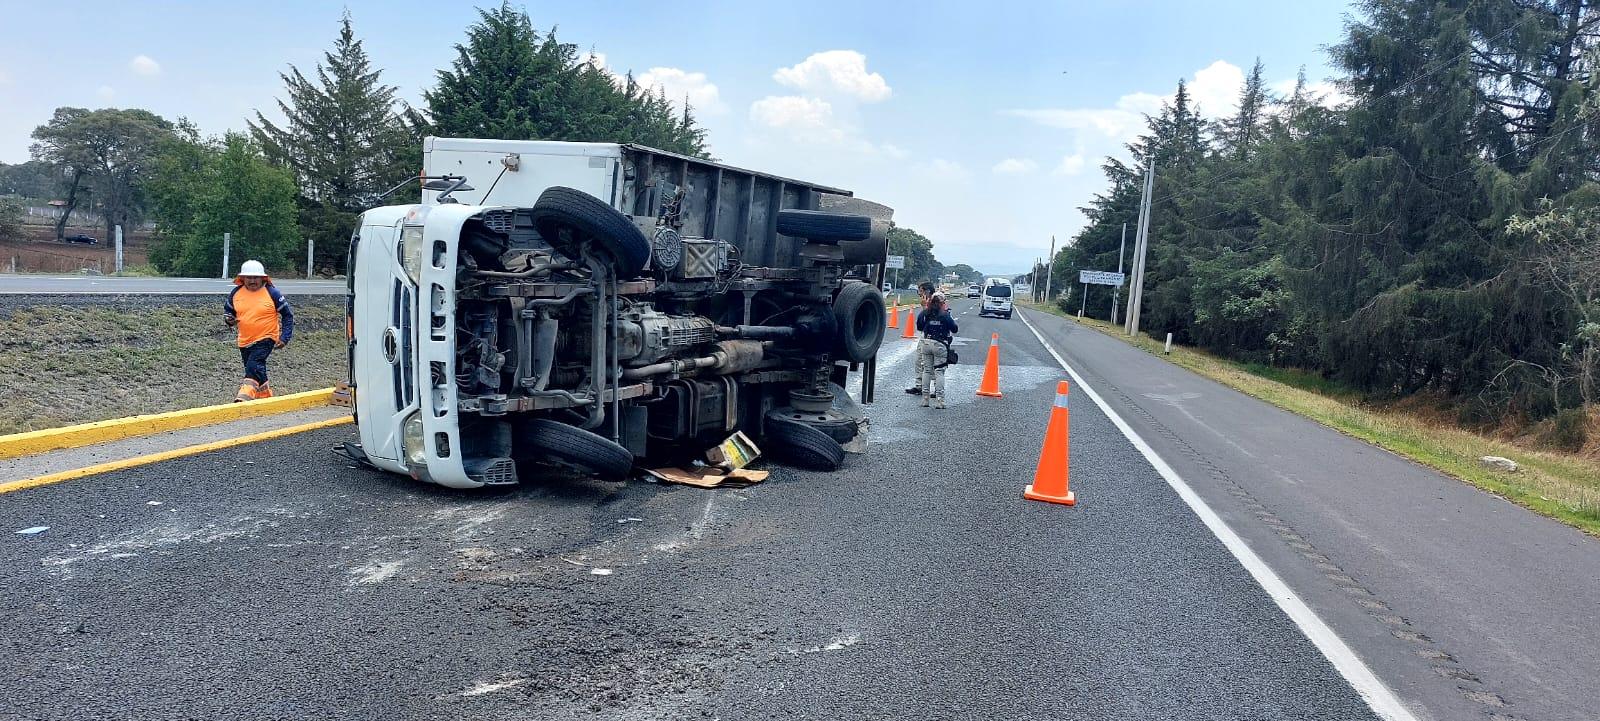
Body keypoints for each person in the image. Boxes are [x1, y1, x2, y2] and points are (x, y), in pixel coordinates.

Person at [225, 260, 295, 402]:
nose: (252, 281)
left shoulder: (272, 292)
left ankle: (244, 397)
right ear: (242, 278)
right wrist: (229, 320)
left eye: (255, 277)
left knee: (253, 366)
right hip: (244, 340)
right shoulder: (236, 293)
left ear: (263, 278)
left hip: (266, 338)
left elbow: (288, 315)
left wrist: (285, 337)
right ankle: (265, 399)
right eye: (248, 278)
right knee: (258, 369)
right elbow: (228, 312)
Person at [916, 292, 958, 408]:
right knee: (939, 372)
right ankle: (940, 400)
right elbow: (954, 328)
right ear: (942, 303)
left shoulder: (925, 313)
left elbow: (919, 326)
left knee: (927, 370)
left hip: (926, 343)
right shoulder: (945, 315)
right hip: (940, 344)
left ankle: (925, 399)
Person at [905, 280, 938, 395]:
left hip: (935, 337)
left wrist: (924, 307)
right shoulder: (926, 301)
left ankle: (936, 389)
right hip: (925, 335)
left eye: (920, 291)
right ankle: (919, 386)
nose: (919, 294)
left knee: (933, 363)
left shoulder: (936, 301)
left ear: (926, 291)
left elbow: (932, 319)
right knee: (919, 361)